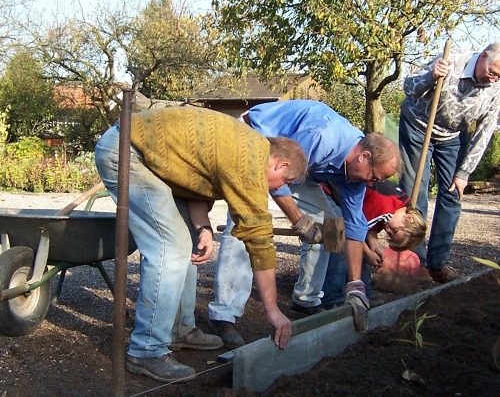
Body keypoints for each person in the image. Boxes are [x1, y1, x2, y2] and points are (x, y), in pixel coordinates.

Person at [94, 106, 307, 383]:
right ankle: (147, 350)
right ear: (281, 165)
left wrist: (203, 228)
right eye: (284, 182)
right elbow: (260, 240)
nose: (278, 188)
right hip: (127, 151)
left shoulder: (248, 147)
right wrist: (273, 311)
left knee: (188, 241)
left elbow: (192, 181)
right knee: (169, 247)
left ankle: (179, 330)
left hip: (148, 157)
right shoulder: (250, 161)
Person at [206, 100, 401, 348]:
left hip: (296, 167)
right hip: (257, 143)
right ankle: (224, 315)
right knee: (245, 223)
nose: (373, 184)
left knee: (333, 223)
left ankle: (307, 298)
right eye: (374, 177)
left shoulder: (356, 173)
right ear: (364, 157)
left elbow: (354, 225)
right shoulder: (322, 136)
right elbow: (282, 175)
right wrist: (299, 220)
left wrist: (356, 285)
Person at [399, 42, 500, 283]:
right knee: (415, 193)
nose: (495, 79)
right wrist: (431, 76)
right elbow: (408, 86)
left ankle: (438, 264)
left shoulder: (496, 89)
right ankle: (416, 262)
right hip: (418, 128)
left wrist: (464, 172)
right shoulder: (452, 60)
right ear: (484, 57)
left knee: (453, 194)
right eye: (494, 72)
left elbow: (484, 132)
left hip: (453, 137)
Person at [320, 180, 426, 309]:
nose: (388, 231)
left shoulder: (399, 204)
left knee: (365, 249)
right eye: (395, 231)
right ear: (408, 218)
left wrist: (374, 244)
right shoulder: (385, 207)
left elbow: (365, 223)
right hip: (330, 192)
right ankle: (333, 298)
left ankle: (365, 293)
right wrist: (368, 252)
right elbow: (353, 229)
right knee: (340, 242)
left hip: (348, 202)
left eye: (391, 235)